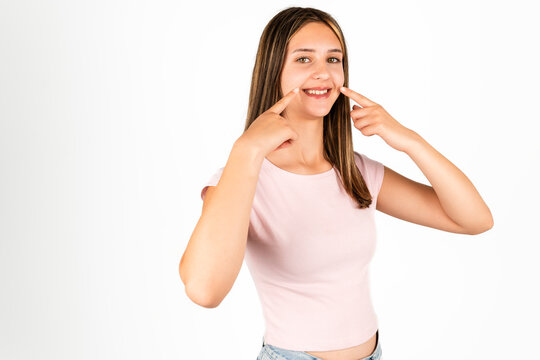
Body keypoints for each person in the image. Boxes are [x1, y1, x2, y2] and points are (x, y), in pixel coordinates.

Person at [179, 6, 494, 360]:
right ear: (273, 71)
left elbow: (475, 220)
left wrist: (408, 139)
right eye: (303, 59)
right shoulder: (242, 176)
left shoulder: (353, 171)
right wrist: (247, 150)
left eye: (333, 59)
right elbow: (204, 291)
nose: (323, 73)